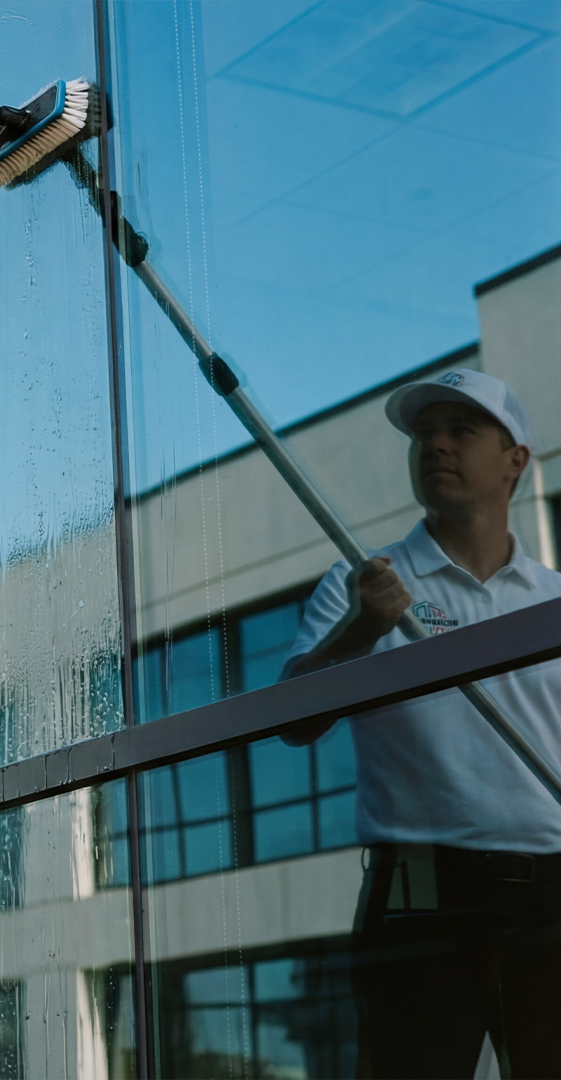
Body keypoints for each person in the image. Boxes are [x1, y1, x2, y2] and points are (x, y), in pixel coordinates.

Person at [282, 368, 561, 1077]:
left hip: (554, 898)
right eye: (423, 434)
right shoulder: (363, 583)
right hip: (421, 898)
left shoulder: (555, 599)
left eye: (461, 430)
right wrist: (360, 631)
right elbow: (293, 720)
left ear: (515, 462)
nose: (435, 445)